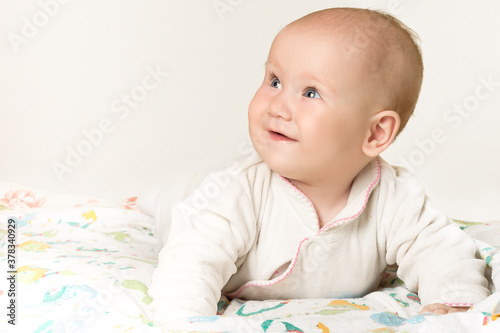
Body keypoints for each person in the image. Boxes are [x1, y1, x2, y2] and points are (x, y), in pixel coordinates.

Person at [143, 7, 490, 325]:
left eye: (310, 93)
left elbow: (441, 250)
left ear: (375, 132)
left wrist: (455, 300)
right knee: (178, 204)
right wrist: (185, 319)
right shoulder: (238, 190)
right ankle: (156, 198)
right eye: (274, 81)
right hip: (189, 206)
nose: (277, 106)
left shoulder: (395, 197)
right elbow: (190, 263)